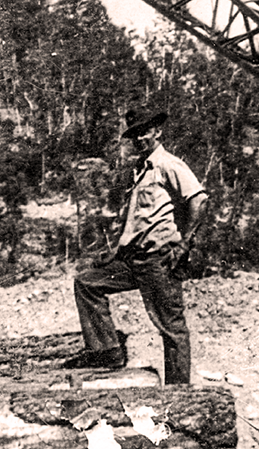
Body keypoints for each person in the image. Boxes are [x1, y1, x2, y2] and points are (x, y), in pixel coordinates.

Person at [63, 104, 208, 385]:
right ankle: (107, 351)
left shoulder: (169, 165)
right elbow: (136, 220)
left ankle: (178, 393)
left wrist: (185, 244)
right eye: (136, 134)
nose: (141, 138)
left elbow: (199, 200)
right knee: (87, 283)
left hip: (159, 259)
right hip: (133, 258)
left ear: (158, 131)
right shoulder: (139, 171)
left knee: (172, 328)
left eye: (146, 132)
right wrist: (114, 252)